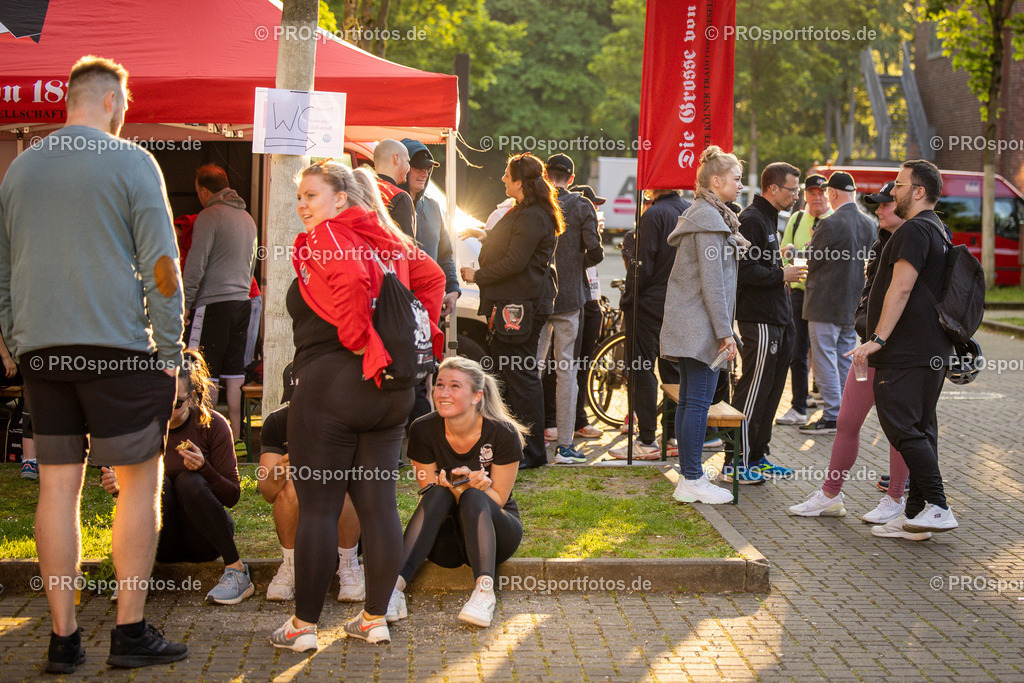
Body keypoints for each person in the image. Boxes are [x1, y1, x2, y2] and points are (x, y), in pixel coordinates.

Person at [0, 56, 187, 672]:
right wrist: (169, 351)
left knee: (57, 485)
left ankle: (62, 639)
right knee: (138, 483)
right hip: (119, 351)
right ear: (113, 100)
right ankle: (129, 633)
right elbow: (162, 266)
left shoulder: (20, 169)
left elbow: (4, 269)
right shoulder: (133, 161)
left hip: (42, 351)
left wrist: (15, 337)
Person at [269, 161, 445, 652]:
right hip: (391, 392)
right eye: (299, 197)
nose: (302, 205)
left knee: (320, 507)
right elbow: (432, 279)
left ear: (341, 198)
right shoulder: (392, 239)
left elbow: (347, 280)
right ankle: (373, 619)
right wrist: (421, 334)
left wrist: (360, 337)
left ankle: (303, 628)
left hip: (336, 384)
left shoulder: (327, 235)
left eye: (311, 195)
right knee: (379, 505)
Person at [788, 181, 922, 536]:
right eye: (875, 205)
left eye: (884, 205)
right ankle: (831, 494)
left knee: (898, 431)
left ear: (905, 206)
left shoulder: (914, 242)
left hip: (895, 353)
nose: (877, 211)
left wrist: (879, 338)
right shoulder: (881, 241)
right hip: (869, 348)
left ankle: (896, 499)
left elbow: (907, 298)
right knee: (846, 421)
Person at [849, 159, 958, 535]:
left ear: (919, 191)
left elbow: (902, 287)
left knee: (901, 426)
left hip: (909, 351)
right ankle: (914, 516)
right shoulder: (938, 229)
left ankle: (939, 506)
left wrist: (877, 339)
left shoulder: (913, 231)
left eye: (898, 185)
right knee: (921, 427)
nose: (892, 192)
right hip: (930, 350)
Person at [101, 348, 253, 601]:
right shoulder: (143, 428)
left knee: (188, 481)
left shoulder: (212, 425)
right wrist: (120, 489)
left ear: (192, 397)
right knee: (160, 484)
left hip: (205, 539)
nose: (168, 410)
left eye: (177, 403)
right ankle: (133, 576)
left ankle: (236, 571)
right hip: (162, 543)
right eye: (162, 401)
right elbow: (135, 501)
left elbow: (233, 496)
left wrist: (205, 468)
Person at [388, 357, 525, 628]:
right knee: (437, 494)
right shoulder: (423, 429)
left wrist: (466, 488)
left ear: (477, 396)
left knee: (475, 496)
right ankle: (393, 589)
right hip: (445, 542)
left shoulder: (503, 432)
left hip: (496, 536)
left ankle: (485, 592)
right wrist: (449, 486)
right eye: (439, 385)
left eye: (454, 386)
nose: (443, 393)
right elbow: (427, 490)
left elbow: (498, 498)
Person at [460, 153, 561, 469]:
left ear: (520, 181)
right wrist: (483, 235)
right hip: (516, 303)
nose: (502, 179)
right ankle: (517, 445)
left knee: (521, 376)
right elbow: (515, 246)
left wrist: (478, 275)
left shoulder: (532, 215)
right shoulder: (526, 212)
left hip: (521, 305)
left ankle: (532, 451)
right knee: (511, 373)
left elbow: (516, 261)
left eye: (507, 175)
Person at [661, 147, 748, 504]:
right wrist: (725, 333)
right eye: (737, 178)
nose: (741, 185)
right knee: (697, 402)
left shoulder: (706, 216)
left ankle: (689, 477)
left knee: (691, 402)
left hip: (694, 325)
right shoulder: (708, 221)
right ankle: (693, 478)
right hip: (702, 328)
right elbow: (713, 285)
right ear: (716, 181)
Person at [725, 163, 806, 484]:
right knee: (753, 390)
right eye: (792, 190)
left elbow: (760, 263)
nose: (796, 196)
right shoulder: (752, 220)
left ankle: (757, 456)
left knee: (771, 393)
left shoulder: (770, 220)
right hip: (758, 320)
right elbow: (743, 272)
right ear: (773, 189)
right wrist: (780, 274)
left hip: (779, 319)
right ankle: (734, 463)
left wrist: (778, 260)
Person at [257, 363, 366, 602]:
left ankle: (349, 565)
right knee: (288, 488)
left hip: (345, 519)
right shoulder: (277, 423)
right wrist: (278, 471)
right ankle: (291, 566)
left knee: (346, 486)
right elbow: (266, 492)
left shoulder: (350, 421)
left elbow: (368, 482)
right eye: (296, 401)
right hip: (302, 523)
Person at [182, 164, 258, 442]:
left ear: (203, 190)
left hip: (212, 304)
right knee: (234, 373)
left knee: (204, 371)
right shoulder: (247, 218)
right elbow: (251, 267)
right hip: (242, 303)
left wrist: (186, 303)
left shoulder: (208, 216)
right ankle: (235, 438)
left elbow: (195, 265)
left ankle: (207, 438)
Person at [612, 188, 690, 459]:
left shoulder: (654, 214)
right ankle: (671, 437)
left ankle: (646, 440)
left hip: (648, 307)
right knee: (673, 373)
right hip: (678, 306)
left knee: (641, 370)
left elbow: (641, 265)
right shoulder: (688, 211)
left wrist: (629, 298)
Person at [799, 172, 876, 434]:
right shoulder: (870, 224)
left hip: (823, 303)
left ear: (832, 193)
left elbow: (813, 260)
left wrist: (809, 245)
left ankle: (832, 414)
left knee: (823, 359)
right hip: (853, 303)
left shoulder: (829, 224)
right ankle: (846, 412)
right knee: (845, 359)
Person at [538, 154, 603, 464]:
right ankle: (565, 445)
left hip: (538, 296)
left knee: (531, 369)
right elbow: (596, 251)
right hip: (569, 299)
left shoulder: (534, 202)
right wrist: (578, 266)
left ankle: (529, 438)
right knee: (567, 372)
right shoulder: (581, 205)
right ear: (572, 178)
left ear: (546, 174)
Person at [399, 138, 461, 426]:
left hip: (429, 308)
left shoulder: (434, 208)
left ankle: (421, 439)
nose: (424, 173)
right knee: (402, 373)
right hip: (397, 305)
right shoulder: (385, 203)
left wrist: (453, 289)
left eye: (428, 168)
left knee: (425, 372)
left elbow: (446, 253)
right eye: (418, 167)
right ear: (402, 166)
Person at [776, 174, 831, 426]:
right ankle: (799, 406)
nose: (816, 197)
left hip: (824, 295)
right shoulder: (797, 219)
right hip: (798, 294)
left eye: (821, 192)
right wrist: (792, 269)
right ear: (805, 195)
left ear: (829, 194)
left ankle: (830, 405)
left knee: (825, 352)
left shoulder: (835, 220)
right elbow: (785, 253)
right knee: (797, 352)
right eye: (812, 192)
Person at [568, 184, 607, 440]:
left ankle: (578, 416)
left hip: (590, 300)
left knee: (583, 363)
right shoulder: (575, 225)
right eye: (592, 204)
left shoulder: (590, 226)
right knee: (573, 364)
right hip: (578, 301)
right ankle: (575, 419)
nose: (596, 209)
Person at [373, 138, 415, 237]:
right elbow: (406, 246)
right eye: (407, 161)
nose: (408, 168)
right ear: (396, 158)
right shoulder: (399, 197)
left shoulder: (358, 191)